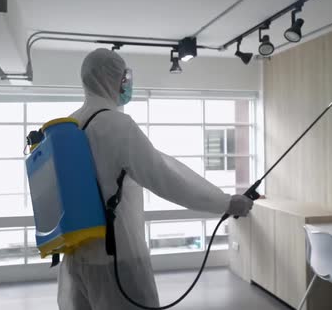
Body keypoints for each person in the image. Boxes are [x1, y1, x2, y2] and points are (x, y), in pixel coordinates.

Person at [58, 48, 254, 310]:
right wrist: (226, 203)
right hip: (118, 258)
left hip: (74, 257)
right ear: (111, 78)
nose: (125, 85)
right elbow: (166, 178)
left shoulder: (68, 125)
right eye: (122, 78)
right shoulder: (118, 125)